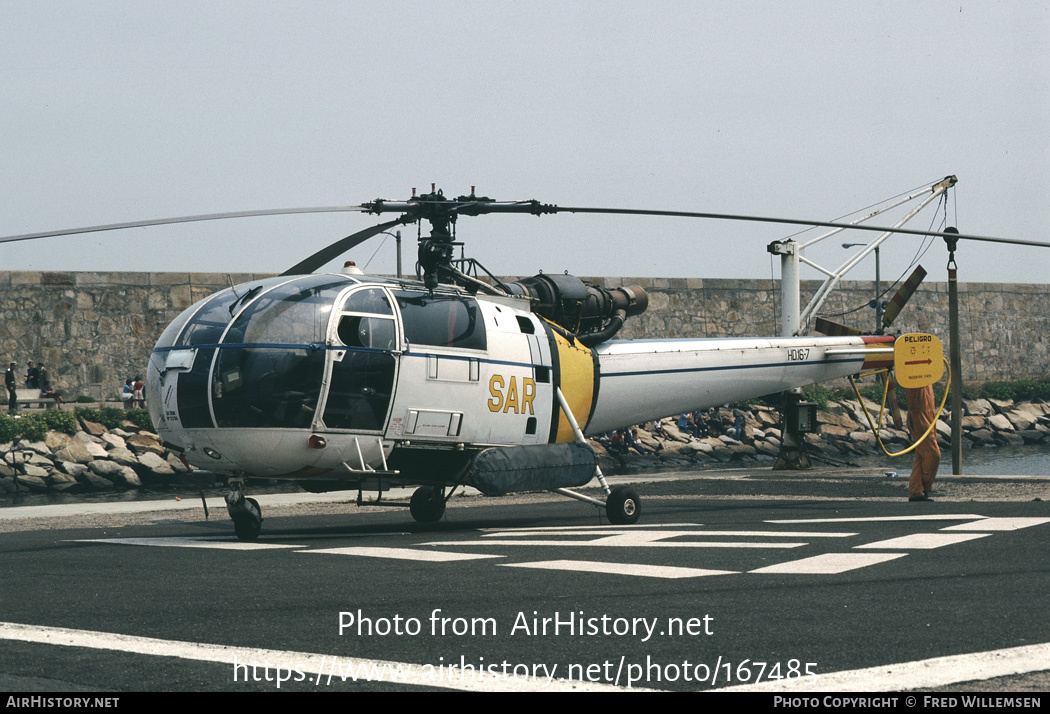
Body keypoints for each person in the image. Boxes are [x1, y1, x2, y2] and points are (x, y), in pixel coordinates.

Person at [905, 384, 940, 501]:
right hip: (919, 418)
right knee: (933, 454)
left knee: (921, 455)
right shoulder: (916, 378)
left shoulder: (927, 380)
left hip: (927, 416)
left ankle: (916, 490)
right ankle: (925, 486)